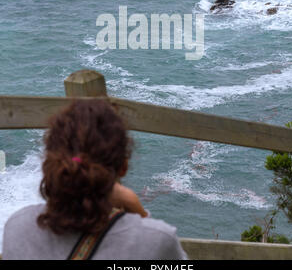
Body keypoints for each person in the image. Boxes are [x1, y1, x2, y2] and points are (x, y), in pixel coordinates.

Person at [2, 99, 188, 260]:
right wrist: (139, 213)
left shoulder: (16, 227)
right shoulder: (156, 239)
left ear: (50, 160)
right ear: (123, 166)